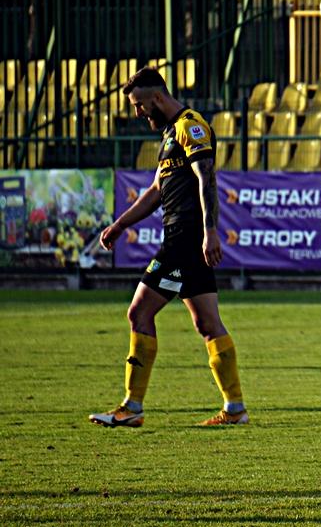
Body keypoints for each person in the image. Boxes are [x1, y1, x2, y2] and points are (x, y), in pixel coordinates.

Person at [90, 67, 247, 428]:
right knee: (208, 323)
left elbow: (206, 179)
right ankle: (235, 408)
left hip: (184, 240)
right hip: (183, 238)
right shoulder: (168, 135)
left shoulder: (191, 126)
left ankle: (132, 406)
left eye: (139, 105)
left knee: (138, 313)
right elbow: (156, 191)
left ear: (157, 97)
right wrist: (120, 224)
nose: (137, 112)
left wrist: (210, 232)